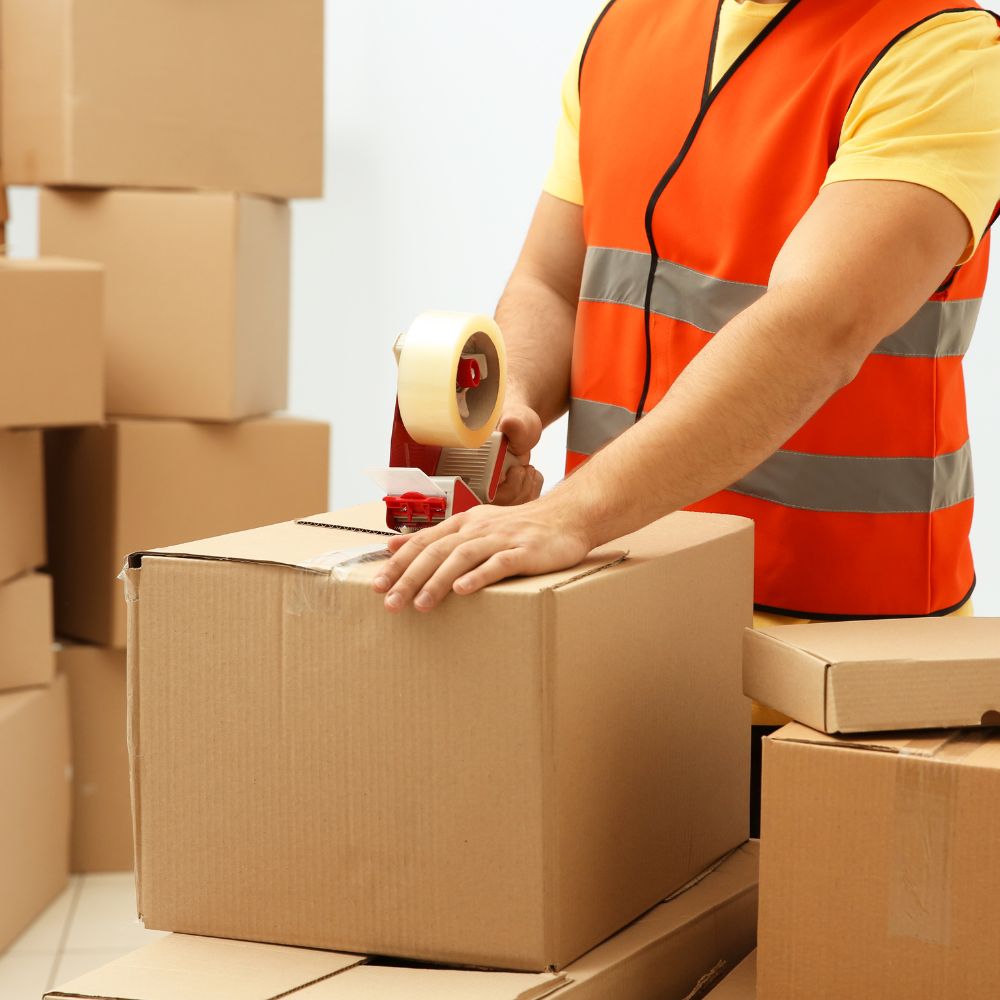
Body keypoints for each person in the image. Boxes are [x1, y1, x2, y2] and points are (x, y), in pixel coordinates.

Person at [372, 0, 1000, 627]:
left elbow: (816, 328)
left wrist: (569, 512)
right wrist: (511, 409)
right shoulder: (626, 27)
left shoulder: (943, 52)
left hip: (842, 627)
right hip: (621, 588)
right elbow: (552, 282)